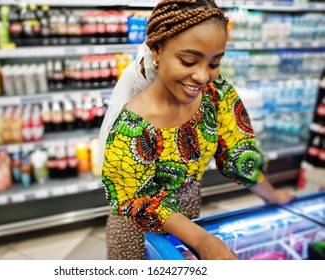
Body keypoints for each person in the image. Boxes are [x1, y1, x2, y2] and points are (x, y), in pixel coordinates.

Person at [96, 0, 295, 260]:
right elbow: (140, 200)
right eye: (189, 61)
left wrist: (272, 195)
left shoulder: (216, 94)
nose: (203, 76)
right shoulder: (132, 126)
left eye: (214, 63)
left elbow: (237, 150)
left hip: (191, 215)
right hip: (139, 233)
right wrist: (201, 240)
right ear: (156, 51)